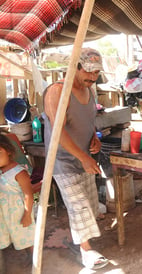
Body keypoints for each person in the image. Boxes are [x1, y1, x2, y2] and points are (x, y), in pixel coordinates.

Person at [42, 48, 109, 270]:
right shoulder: (57, 92)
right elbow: (58, 131)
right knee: (78, 205)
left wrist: (94, 140)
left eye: (96, 73)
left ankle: (79, 240)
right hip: (62, 161)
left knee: (89, 204)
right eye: (88, 72)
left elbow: (89, 121)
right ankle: (86, 252)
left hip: (84, 157)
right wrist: (83, 157)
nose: (91, 77)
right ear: (75, 67)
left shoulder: (92, 91)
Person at [0, 135, 34, 264]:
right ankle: (28, 256)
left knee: (27, 236)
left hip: (19, 211)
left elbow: (28, 195)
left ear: (8, 151)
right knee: (19, 236)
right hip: (6, 212)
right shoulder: (1, 170)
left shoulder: (19, 172)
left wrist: (27, 214)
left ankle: (34, 257)